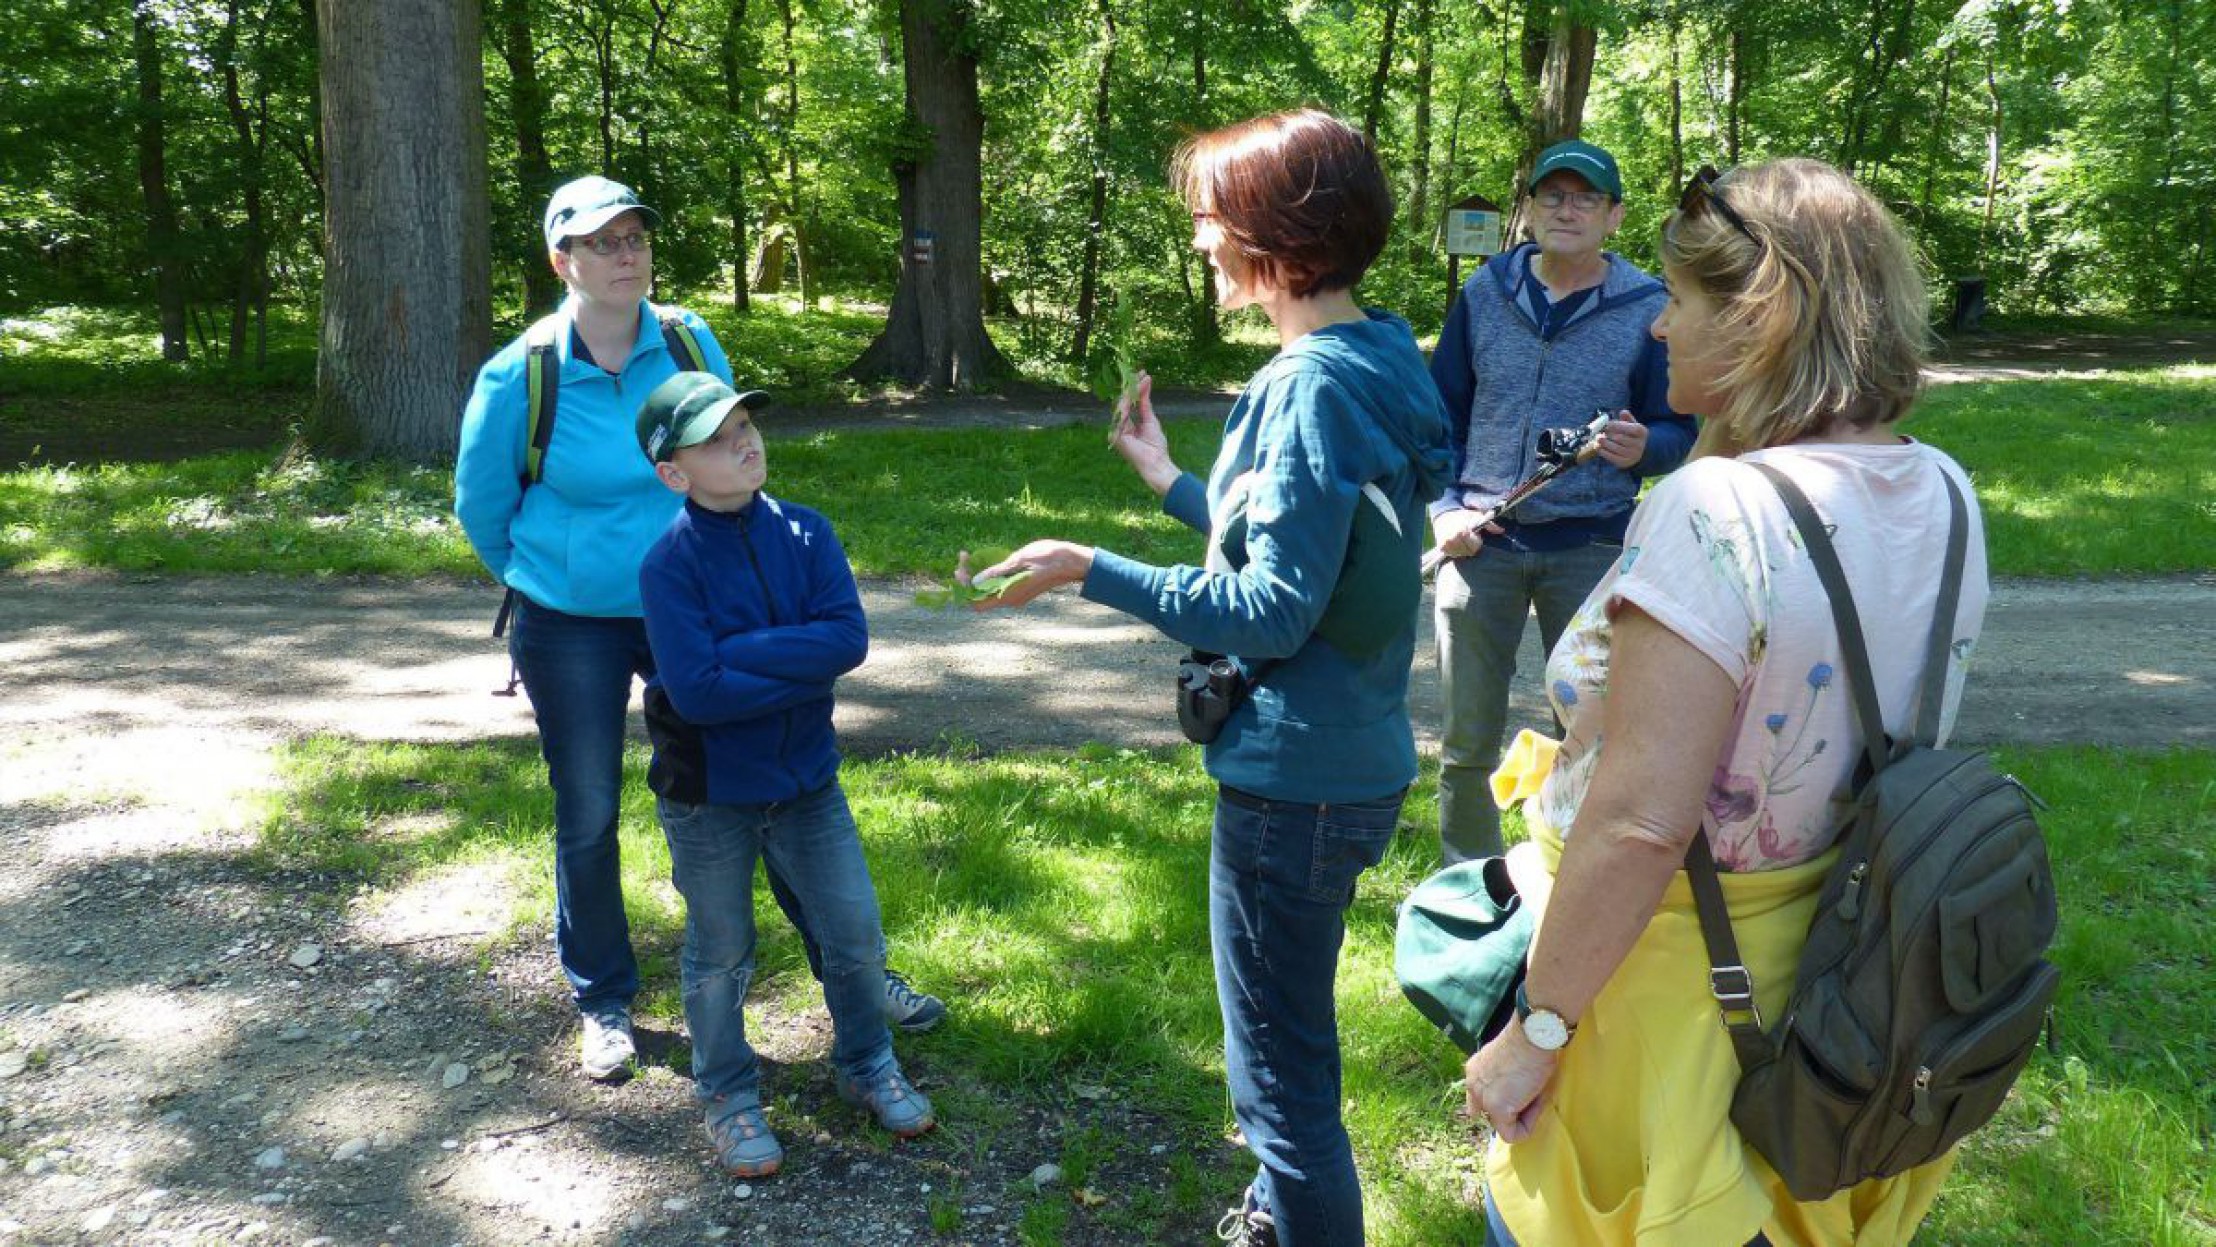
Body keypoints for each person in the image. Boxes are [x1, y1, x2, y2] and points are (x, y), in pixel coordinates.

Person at [1461, 157, 1989, 1245]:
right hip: (1844, 989)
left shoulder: (1712, 511)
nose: (1657, 329)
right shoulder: (1939, 484)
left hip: (1659, 996)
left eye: (1684, 300)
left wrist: (1536, 1029)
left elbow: (1642, 819)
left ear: (1761, 314)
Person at [968, 110, 1451, 1247]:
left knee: (1280, 1081)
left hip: (1296, 786)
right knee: (1282, 1056)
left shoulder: (1307, 388)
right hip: (1352, 764)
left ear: (1278, 236)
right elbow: (1328, 556)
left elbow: (1271, 611)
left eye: (1211, 219)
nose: (1198, 240)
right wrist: (1177, 486)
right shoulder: (1377, 355)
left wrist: (1090, 569)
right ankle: (1276, 1221)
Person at [454, 176, 944, 1082]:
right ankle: (604, 999)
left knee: (769, 784)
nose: (626, 253)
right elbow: (483, 508)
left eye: (635, 236)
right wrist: (558, 573)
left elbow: (722, 445)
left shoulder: (685, 338)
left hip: (705, 612)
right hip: (577, 623)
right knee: (590, 807)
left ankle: (860, 977)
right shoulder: (521, 373)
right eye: (602, 242)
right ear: (562, 260)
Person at [632, 371, 935, 1176]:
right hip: (709, 796)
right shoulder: (668, 564)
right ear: (674, 472)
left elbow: (847, 641)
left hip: (805, 781)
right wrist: (796, 664)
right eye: (716, 436)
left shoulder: (807, 531)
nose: (744, 440)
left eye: (744, 423)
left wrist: (741, 655)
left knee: (855, 934)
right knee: (721, 950)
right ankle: (728, 1094)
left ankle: (866, 1061)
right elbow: (695, 693)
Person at [1428, 138, 1696, 865]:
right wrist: (1445, 506)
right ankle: (1467, 889)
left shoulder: (1648, 309)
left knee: (1590, 737)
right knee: (1466, 745)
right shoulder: (1485, 293)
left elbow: (1682, 426)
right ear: (1529, 208)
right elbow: (1439, 417)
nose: (1566, 210)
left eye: (1585, 199)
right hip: (1477, 545)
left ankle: (1570, 877)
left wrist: (1648, 449)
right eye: (1553, 195)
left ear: (1614, 216)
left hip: (1592, 551)